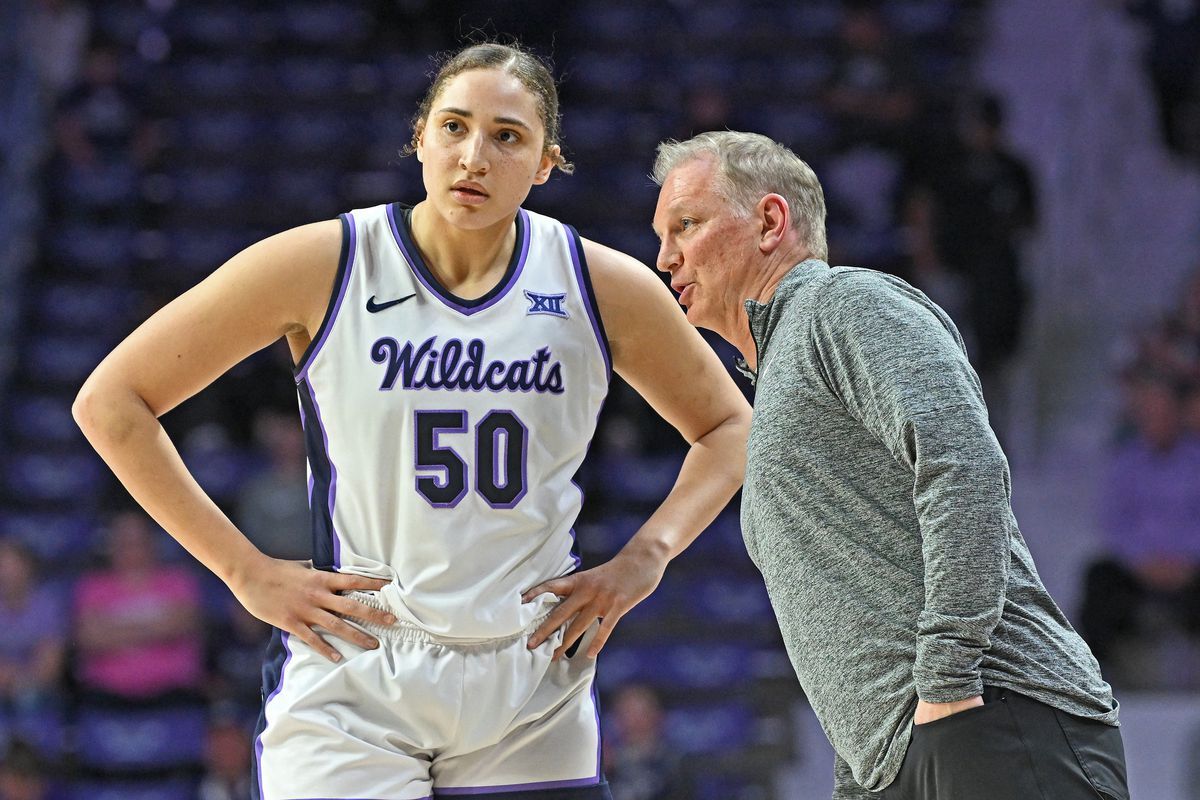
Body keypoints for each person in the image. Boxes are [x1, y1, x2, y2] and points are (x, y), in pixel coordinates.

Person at [73, 42, 751, 800]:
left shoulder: (599, 284)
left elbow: (731, 428)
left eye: (507, 137)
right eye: (455, 127)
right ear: (420, 137)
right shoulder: (327, 262)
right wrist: (244, 571)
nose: (474, 156)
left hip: (529, 681)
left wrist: (646, 558)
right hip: (357, 669)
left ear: (546, 163)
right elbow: (112, 401)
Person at [649, 130, 1127, 800]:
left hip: (992, 715)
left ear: (769, 221)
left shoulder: (844, 305)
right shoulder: (779, 375)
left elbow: (964, 466)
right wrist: (861, 774)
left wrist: (949, 675)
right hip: (902, 756)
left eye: (686, 225)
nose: (665, 256)